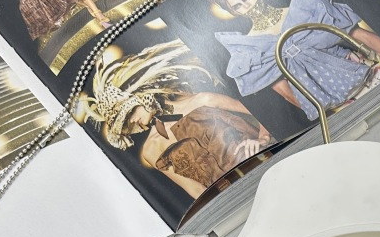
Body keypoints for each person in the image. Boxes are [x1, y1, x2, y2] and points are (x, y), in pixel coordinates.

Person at [82, 39, 275, 198]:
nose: (131, 122)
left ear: (140, 95)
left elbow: (265, 111)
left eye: (129, 113)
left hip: (268, 167)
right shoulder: (152, 149)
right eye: (124, 123)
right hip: (236, 200)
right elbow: (197, 192)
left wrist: (262, 139)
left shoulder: (202, 100)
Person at [211, 0, 380, 120]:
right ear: (233, 13)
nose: (246, 6)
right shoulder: (253, 49)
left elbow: (359, 34)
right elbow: (286, 92)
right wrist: (330, 117)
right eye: (237, 6)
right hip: (342, 107)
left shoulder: (302, 9)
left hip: (373, 75)